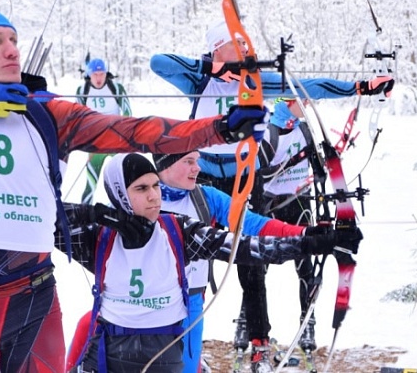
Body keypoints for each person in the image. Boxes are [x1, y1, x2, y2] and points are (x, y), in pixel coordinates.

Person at [0, 8, 268, 373]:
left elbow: (135, 131)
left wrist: (221, 128)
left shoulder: (48, 115)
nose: (12, 50)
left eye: (14, 40)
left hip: (30, 301)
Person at [150, 19, 393, 372]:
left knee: (251, 259)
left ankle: (260, 342)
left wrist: (361, 86)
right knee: (186, 256)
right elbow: (159, 62)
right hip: (199, 178)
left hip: (245, 176)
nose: (248, 51)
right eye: (238, 44)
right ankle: (172, 334)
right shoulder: (197, 79)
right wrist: (214, 68)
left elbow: (308, 87)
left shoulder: (256, 81)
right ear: (219, 46)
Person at [57, 153, 362, 372]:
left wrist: (314, 240)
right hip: (112, 351)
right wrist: (96, 214)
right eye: (141, 189)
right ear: (120, 194)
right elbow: (42, 220)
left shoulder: (179, 229)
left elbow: (250, 245)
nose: (153, 197)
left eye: (154, 187)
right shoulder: (98, 237)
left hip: (171, 335)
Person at [152, 150, 316, 373]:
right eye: (188, 162)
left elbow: (255, 225)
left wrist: (307, 234)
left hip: (191, 303)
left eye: (197, 161)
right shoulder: (139, 196)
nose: (197, 168)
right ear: (165, 166)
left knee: (186, 368)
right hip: (146, 303)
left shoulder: (205, 197)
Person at [259, 98, 318, 353]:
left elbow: (319, 166)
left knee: (306, 265)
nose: (305, 106)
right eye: (299, 102)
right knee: (256, 266)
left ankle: (308, 322)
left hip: (300, 203)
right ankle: (249, 323)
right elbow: (256, 173)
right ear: (286, 104)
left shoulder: (304, 130)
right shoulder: (266, 133)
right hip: (271, 205)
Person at [75, 58, 132, 203]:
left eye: (102, 74)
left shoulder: (116, 88)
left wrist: (122, 132)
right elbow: (78, 118)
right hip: (96, 143)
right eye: (95, 74)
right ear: (89, 75)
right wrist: (86, 140)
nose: (99, 78)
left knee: (125, 182)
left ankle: (128, 212)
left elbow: (127, 113)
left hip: (115, 141)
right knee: (90, 185)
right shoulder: (82, 91)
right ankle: (84, 216)